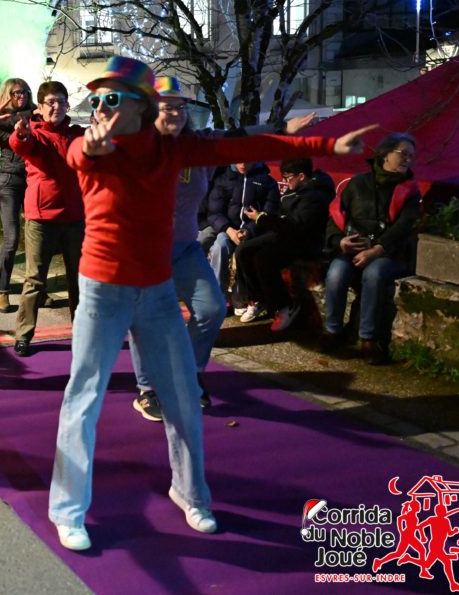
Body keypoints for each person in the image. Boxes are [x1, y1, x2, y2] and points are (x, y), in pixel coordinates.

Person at [48, 55, 375, 551]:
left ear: (140, 105)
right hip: (103, 291)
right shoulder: (93, 146)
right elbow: (78, 153)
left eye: (110, 98)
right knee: (84, 396)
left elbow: (249, 145)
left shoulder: (175, 150)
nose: (99, 108)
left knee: (182, 395)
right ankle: (68, 510)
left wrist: (326, 145)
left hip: (157, 290)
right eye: (95, 100)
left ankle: (190, 493)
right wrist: (89, 143)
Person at [128, 80, 320, 421]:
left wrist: (281, 129)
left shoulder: (199, 144)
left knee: (212, 308)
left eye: (181, 107)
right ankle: (148, 390)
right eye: (167, 106)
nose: (176, 113)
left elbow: (238, 136)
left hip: (185, 248)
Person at [323, 133, 420, 365]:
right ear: (385, 154)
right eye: (403, 154)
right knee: (336, 272)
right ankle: (332, 331)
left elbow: (403, 228)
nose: (408, 159)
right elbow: (336, 215)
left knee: (374, 274)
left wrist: (377, 249)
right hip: (352, 248)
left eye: (411, 156)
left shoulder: (410, 190)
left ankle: (368, 339)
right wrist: (340, 241)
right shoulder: (358, 183)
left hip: (389, 252)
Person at [8, 80, 83, 357]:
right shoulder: (35, 135)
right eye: (50, 102)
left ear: (67, 105)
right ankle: (23, 335)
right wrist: (21, 134)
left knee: (80, 279)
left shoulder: (77, 135)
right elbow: (20, 144)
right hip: (41, 218)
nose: (56, 107)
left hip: (75, 216)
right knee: (35, 279)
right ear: (39, 107)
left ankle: (83, 332)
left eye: (61, 101)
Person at [237, 158, 335, 330]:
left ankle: (285, 305)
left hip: (305, 241)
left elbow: (297, 227)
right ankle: (258, 299)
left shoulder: (315, 196)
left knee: (263, 258)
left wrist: (261, 218)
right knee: (243, 250)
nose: (285, 181)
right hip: (284, 233)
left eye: (288, 177)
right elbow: (282, 218)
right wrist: (265, 219)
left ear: (301, 176)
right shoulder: (296, 189)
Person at [202, 161, 280, 316]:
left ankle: (242, 299)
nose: (243, 164)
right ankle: (218, 299)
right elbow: (214, 212)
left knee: (245, 252)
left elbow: (269, 213)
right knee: (219, 247)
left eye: (247, 160)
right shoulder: (223, 179)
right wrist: (229, 230)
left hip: (254, 232)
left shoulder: (267, 181)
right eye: (239, 160)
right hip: (229, 229)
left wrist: (248, 231)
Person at [0, 78, 34, 310]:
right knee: (12, 238)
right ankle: (2, 290)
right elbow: (10, 139)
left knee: (38, 239)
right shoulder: (2, 118)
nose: (21, 96)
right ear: (8, 95)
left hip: (34, 180)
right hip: (10, 181)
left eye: (25, 92)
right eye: (16, 93)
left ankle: (37, 290)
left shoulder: (36, 114)